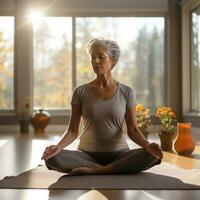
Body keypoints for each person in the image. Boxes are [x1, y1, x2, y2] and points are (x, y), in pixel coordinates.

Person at [41, 38, 163, 175]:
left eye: (101, 57)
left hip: (119, 153)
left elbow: (133, 130)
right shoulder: (80, 92)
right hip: (86, 155)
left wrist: (148, 145)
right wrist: (57, 147)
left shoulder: (126, 92)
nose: (96, 61)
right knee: (52, 159)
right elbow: (72, 131)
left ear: (113, 61)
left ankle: (98, 170)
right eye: (92, 57)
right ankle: (112, 168)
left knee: (153, 155)